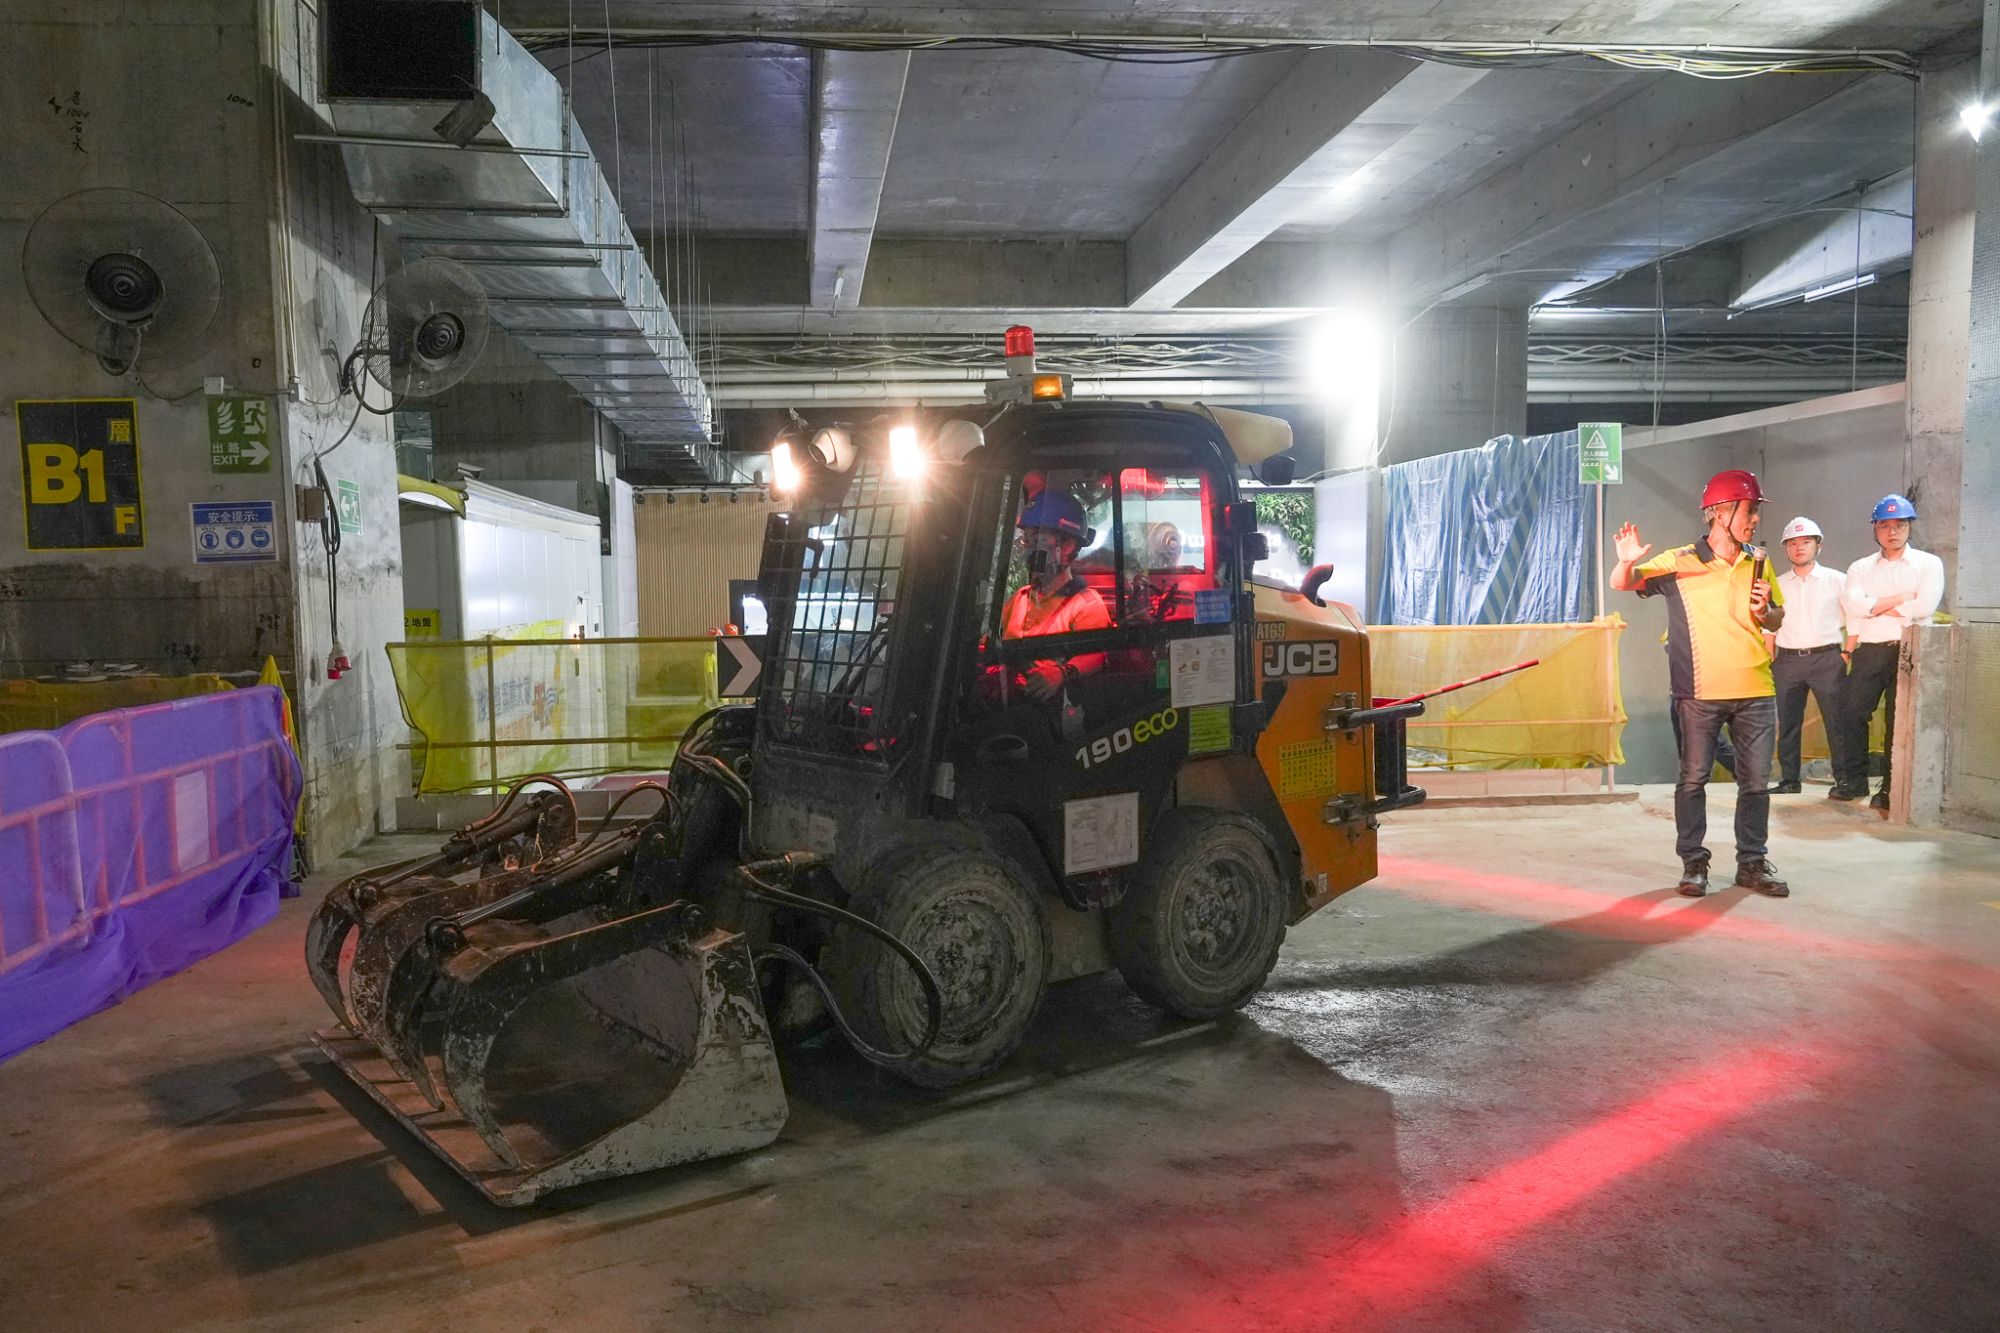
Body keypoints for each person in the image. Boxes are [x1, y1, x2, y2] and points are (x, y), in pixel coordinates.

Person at [1610, 469, 1788, 898]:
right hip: (1699, 691)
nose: (1755, 519)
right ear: (1721, 513)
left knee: (1756, 783)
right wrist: (1627, 560)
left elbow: (1776, 618)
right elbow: (1623, 582)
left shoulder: (1759, 560)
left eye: (1756, 512)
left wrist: (1766, 612)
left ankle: (1751, 863)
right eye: (1749, 510)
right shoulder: (1680, 561)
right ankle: (1694, 864)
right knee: (1693, 781)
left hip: (1756, 690)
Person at [1835, 494, 1945, 811]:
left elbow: (1925, 607)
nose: (1892, 532)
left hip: (1908, 651)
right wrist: (1900, 598)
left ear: (1909, 527)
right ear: (1875, 528)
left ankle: (1889, 788)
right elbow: (1855, 606)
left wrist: (1875, 606)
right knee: (1852, 713)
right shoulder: (1860, 567)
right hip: (1870, 651)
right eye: (1884, 525)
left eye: (1899, 525)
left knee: (1897, 720)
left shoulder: (1928, 564)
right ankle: (1854, 781)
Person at [1766, 516, 1850, 794]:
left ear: (1818, 546)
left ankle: (1844, 779)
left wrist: (1847, 652)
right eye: (1792, 543)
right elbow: (1768, 626)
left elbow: (1855, 617)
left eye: (1805, 542)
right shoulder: (1777, 584)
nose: (1799, 548)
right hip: (1788, 660)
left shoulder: (1837, 580)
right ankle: (1789, 780)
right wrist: (1771, 659)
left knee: (1836, 721)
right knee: (1788, 723)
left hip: (1827, 659)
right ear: (1786, 548)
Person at [1002, 489, 1111, 700]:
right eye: (1026, 540)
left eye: (1038, 541)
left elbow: (1097, 655)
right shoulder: (1020, 598)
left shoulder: (1086, 603)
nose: (1029, 550)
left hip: (1053, 708)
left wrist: (1061, 674)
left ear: (1068, 546)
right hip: (1011, 701)